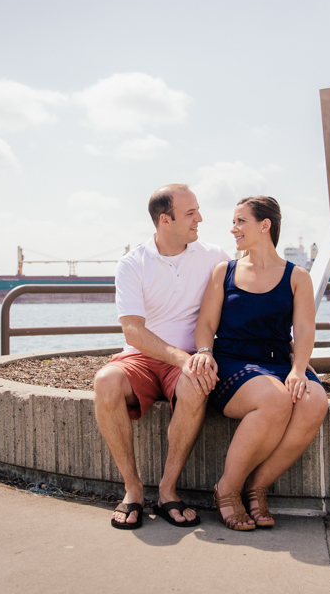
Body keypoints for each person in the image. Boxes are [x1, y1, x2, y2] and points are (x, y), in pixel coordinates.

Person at [186, 196, 329, 531]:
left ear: (265, 225)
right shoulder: (226, 271)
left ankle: (257, 487)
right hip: (232, 363)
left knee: (314, 401)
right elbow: (205, 323)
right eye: (234, 222)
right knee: (274, 398)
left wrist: (298, 369)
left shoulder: (298, 277)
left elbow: (305, 328)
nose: (233, 229)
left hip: (278, 362)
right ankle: (227, 490)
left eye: (240, 221)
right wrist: (204, 351)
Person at [93, 184, 228, 530]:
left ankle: (168, 489)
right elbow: (133, 332)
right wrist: (182, 360)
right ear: (165, 220)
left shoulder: (214, 257)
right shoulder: (132, 263)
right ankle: (133, 489)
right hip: (142, 357)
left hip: (187, 358)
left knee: (197, 384)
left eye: (198, 210)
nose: (200, 218)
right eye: (191, 213)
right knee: (105, 381)